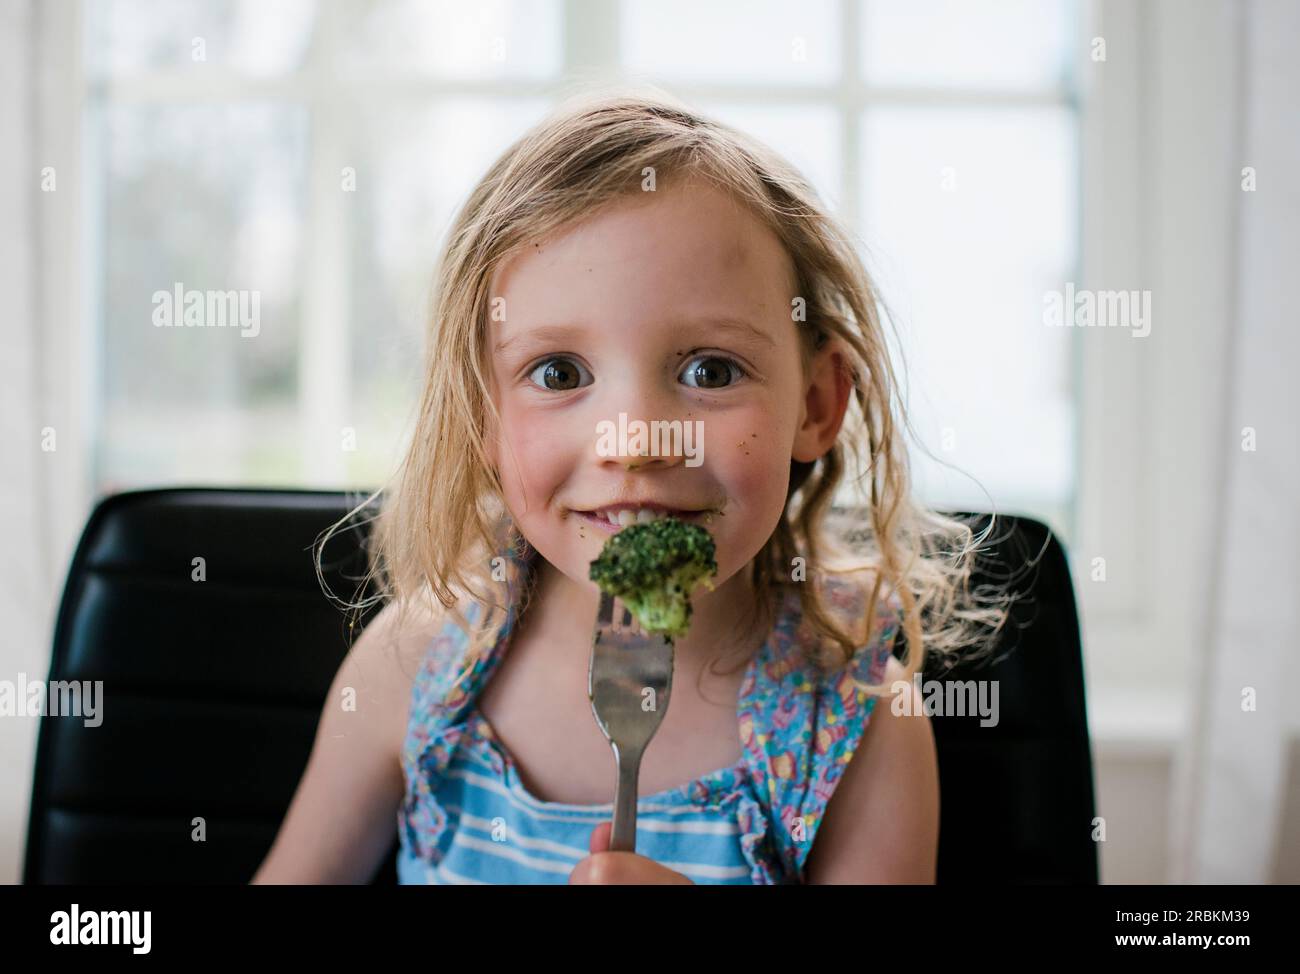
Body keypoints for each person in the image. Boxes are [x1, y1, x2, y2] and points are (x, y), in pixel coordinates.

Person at [253, 88, 1007, 885]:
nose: (636, 440)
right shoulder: (412, 666)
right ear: (481, 415)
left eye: (709, 370)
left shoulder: (861, 726)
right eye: (559, 373)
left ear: (816, 405)